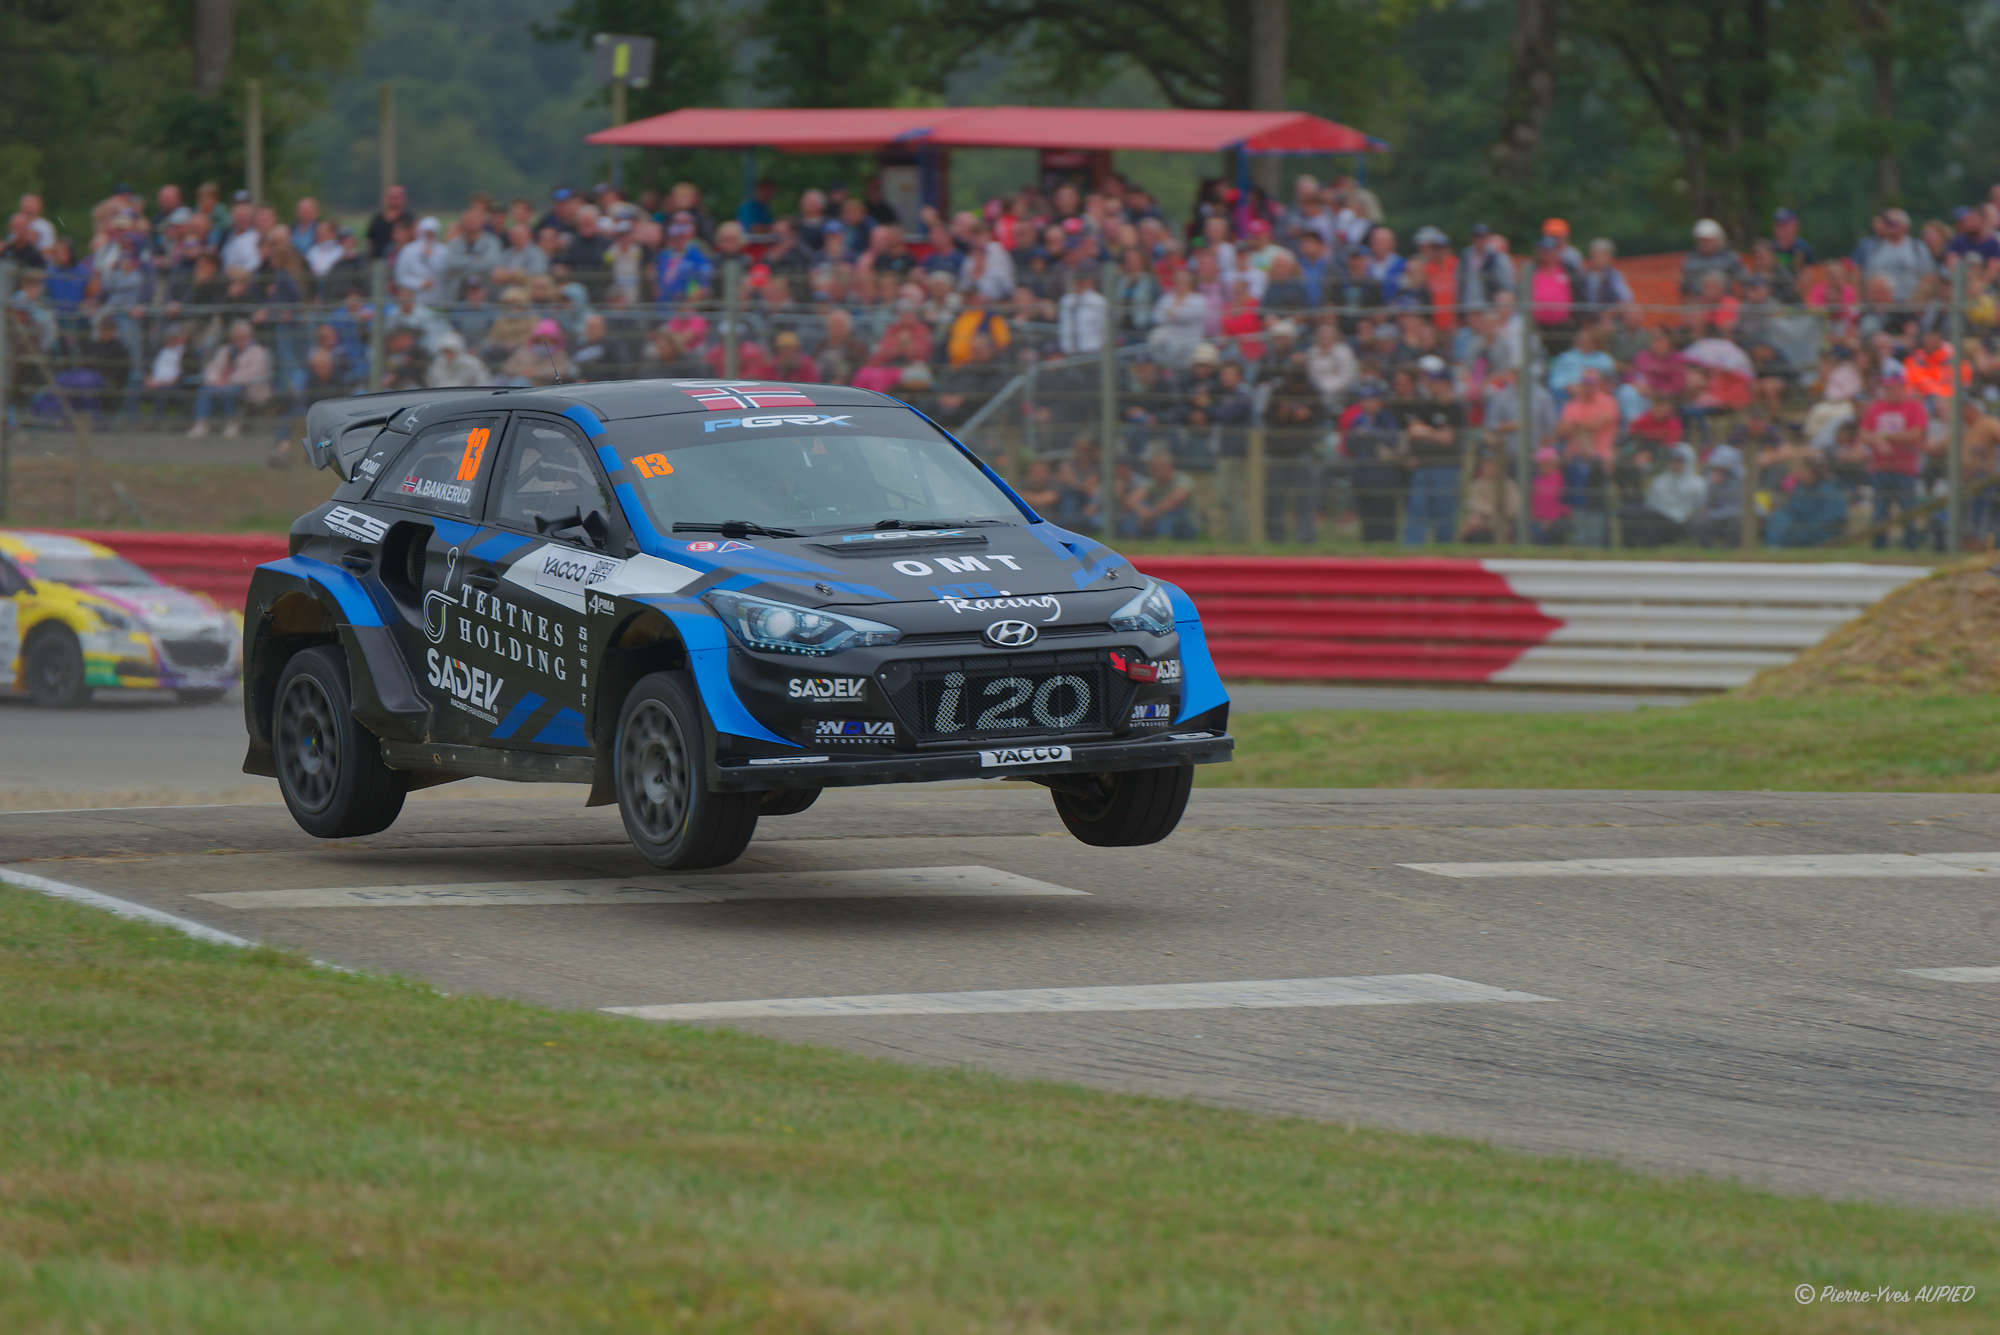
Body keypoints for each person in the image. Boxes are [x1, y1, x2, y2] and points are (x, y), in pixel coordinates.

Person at [1859, 363, 1929, 549]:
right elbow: (1864, 434)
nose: (1888, 391)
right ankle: (1878, 547)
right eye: (1885, 387)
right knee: (1880, 513)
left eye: (1891, 387)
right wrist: (1878, 441)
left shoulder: (1914, 407)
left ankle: (1911, 547)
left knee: (1908, 511)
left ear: (1901, 386)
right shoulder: (1876, 407)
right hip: (1880, 468)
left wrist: (1885, 437)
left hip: (1906, 469)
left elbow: (1916, 434)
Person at [1400, 358, 1465, 544]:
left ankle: (1446, 550)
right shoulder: (1424, 405)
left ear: (1446, 384)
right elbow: (1413, 431)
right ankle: (1412, 553)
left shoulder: (1456, 409)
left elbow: (1448, 438)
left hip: (1446, 467)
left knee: (1445, 512)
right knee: (1417, 510)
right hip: (1422, 466)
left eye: (1435, 382)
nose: (1431, 385)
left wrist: (1426, 432)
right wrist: (1435, 434)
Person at [188, 320, 271, 437]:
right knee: (204, 390)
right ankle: (201, 424)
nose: (239, 341)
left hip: (248, 386)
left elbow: (254, 373)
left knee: (230, 391)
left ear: (250, 337)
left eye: (243, 338)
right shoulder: (225, 350)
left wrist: (229, 380)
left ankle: (232, 423)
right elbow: (212, 368)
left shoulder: (258, 351)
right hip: (221, 384)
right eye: (236, 338)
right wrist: (215, 380)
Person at [1621, 442, 1706, 547]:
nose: (1675, 464)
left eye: (1679, 461)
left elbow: (1700, 509)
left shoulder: (1698, 485)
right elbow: (1650, 504)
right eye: (1673, 460)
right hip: (1658, 518)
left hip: (1681, 525)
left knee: (1650, 521)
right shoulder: (1660, 481)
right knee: (1630, 513)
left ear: (1689, 462)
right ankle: (1629, 550)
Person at [1765, 455, 1849, 547]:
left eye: (1801, 470)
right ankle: (1775, 546)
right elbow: (1791, 510)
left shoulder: (1830, 492)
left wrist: (1797, 530)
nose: (1797, 473)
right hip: (1800, 528)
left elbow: (1827, 522)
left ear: (1811, 472)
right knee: (1779, 518)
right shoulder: (1801, 488)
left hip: (1821, 533)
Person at [1120, 447, 1199, 540]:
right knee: (1133, 516)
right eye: (1153, 468)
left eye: (1158, 467)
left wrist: (1152, 513)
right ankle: (1130, 540)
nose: (1154, 471)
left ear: (1169, 466)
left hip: (1185, 522)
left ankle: (1164, 540)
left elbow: (1174, 501)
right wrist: (1142, 511)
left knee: (1169, 516)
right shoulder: (1154, 482)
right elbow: (1132, 500)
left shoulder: (1183, 479)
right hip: (1156, 517)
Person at [1458, 452, 1521, 542]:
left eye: (1492, 465)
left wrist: (1498, 514)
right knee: (1471, 523)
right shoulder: (1476, 485)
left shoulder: (1509, 485)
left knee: (1505, 528)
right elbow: (1474, 504)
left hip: (1504, 521)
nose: (1489, 468)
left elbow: (1514, 506)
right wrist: (1491, 513)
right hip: (1482, 520)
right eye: (1486, 466)